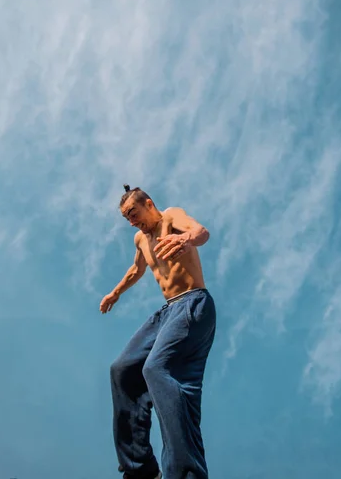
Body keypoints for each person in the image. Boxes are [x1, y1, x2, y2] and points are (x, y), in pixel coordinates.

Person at [100, 185, 216, 479]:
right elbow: (136, 271)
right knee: (123, 370)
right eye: (127, 218)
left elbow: (201, 231)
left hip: (193, 302)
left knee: (157, 369)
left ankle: (184, 471)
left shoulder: (171, 217)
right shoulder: (141, 239)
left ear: (148, 204)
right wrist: (115, 293)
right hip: (167, 312)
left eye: (133, 214)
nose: (131, 222)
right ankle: (139, 468)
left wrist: (186, 239)